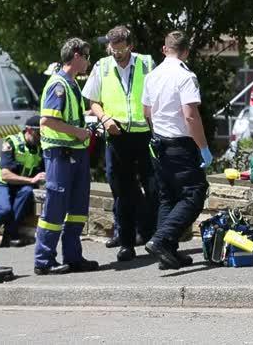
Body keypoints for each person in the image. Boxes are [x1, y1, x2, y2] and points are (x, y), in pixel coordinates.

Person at [82, 25, 158, 261]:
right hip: (117, 135)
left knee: (155, 189)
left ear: (130, 46)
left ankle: (154, 236)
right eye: (112, 50)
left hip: (145, 134)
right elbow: (93, 101)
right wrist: (104, 119)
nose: (116, 54)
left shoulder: (146, 63)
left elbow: (158, 95)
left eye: (120, 51)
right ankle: (126, 243)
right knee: (122, 192)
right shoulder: (101, 66)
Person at [142, 30, 210, 270]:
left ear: (164, 49)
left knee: (168, 196)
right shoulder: (185, 76)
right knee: (194, 193)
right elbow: (191, 116)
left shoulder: (152, 75)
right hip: (180, 144)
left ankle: (167, 252)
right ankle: (162, 240)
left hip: (159, 143)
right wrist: (203, 148)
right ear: (186, 51)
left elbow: (146, 113)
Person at [33, 37, 98, 275]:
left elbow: (69, 115)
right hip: (61, 154)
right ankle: (44, 261)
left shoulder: (71, 84)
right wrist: (80, 131)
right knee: (55, 208)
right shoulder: (58, 84)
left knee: (78, 208)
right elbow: (47, 120)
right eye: (87, 57)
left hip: (76, 153)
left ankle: (73, 257)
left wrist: (90, 115)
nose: (89, 62)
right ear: (77, 55)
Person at [0, 115, 45, 249]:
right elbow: (5, 175)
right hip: (2, 184)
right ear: (29, 130)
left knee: (27, 192)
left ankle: (9, 238)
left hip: (21, 186)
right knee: (4, 210)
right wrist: (32, 180)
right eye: (39, 133)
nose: (41, 137)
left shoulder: (40, 147)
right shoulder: (11, 143)